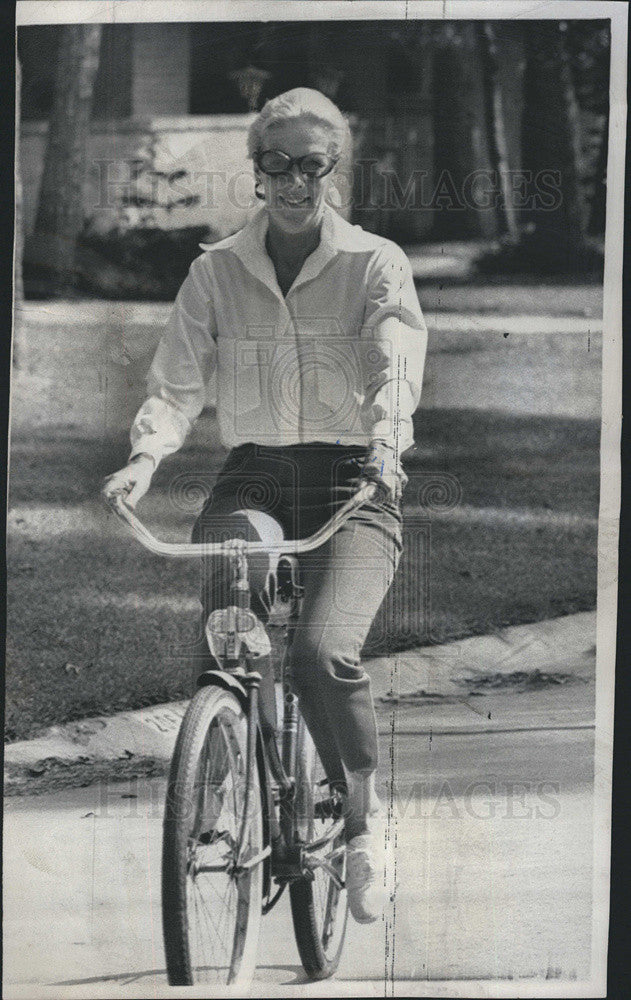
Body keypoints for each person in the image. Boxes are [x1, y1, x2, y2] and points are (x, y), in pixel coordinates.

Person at [102, 88, 428, 924]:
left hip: (355, 480)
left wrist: (388, 448)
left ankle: (361, 827)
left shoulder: (375, 263)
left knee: (320, 653)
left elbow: (395, 359)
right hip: (252, 477)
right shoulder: (216, 269)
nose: (291, 182)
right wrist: (144, 458)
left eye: (309, 166)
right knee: (231, 598)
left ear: (333, 169)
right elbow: (177, 380)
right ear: (256, 171)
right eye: (274, 165)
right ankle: (214, 771)